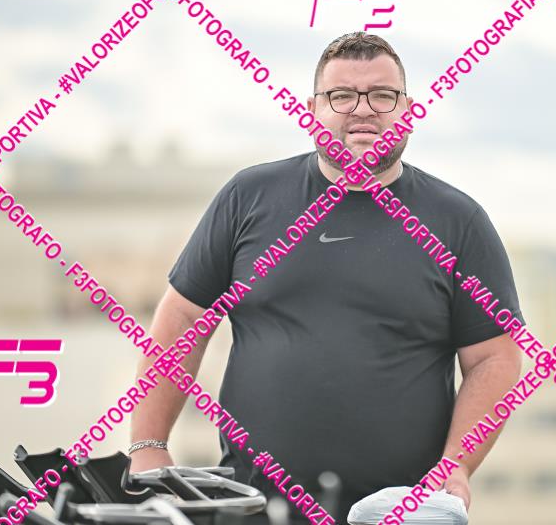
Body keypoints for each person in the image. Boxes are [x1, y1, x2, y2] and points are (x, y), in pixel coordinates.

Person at [128, 32, 525, 524]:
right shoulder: (249, 197)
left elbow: (494, 358)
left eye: (383, 95)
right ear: (311, 109)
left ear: (408, 110)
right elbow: (184, 316)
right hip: (252, 506)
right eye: (341, 96)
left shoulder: (457, 221)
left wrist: (457, 464)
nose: (363, 109)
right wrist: (148, 445)